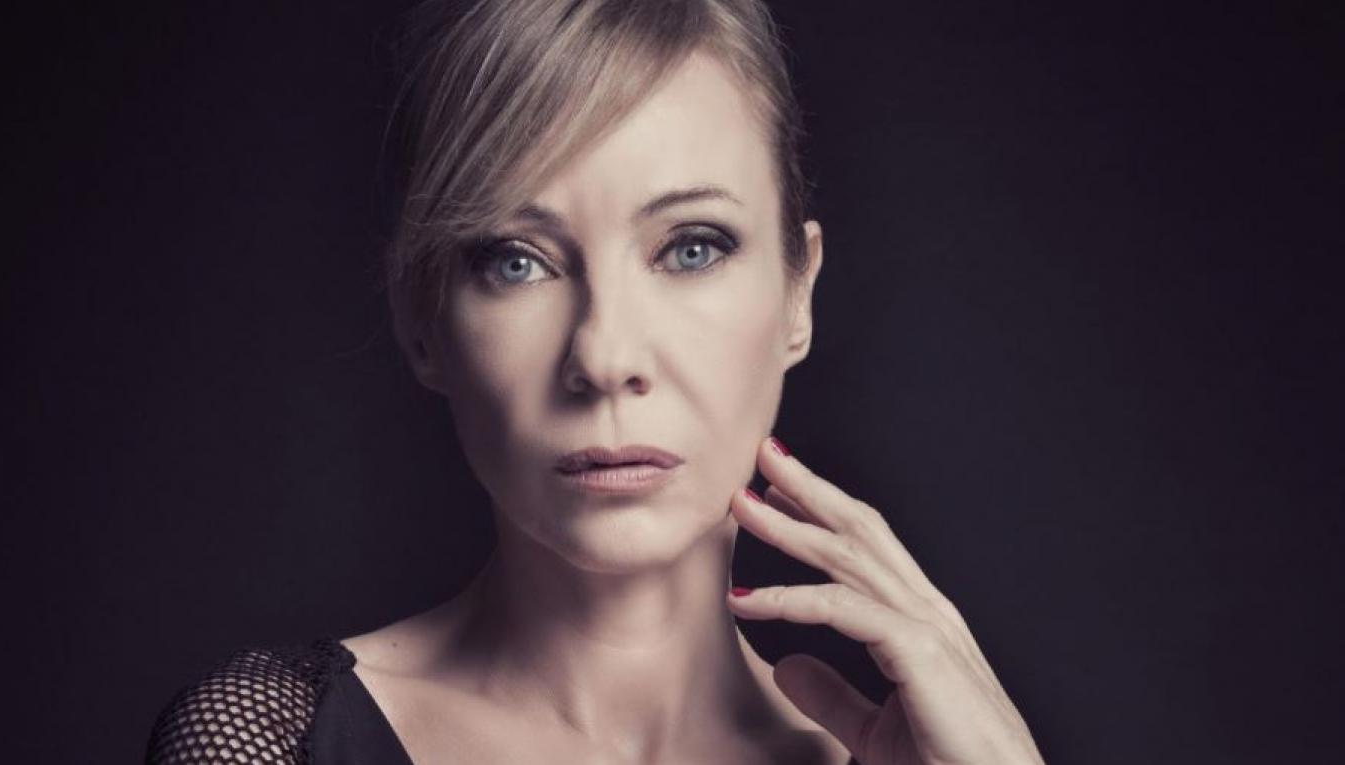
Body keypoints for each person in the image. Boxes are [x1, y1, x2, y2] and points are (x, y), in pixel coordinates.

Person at [145, 1, 1045, 763]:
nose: (606, 357)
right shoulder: (275, 741)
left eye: (691, 248)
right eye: (517, 260)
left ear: (796, 296)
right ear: (421, 320)